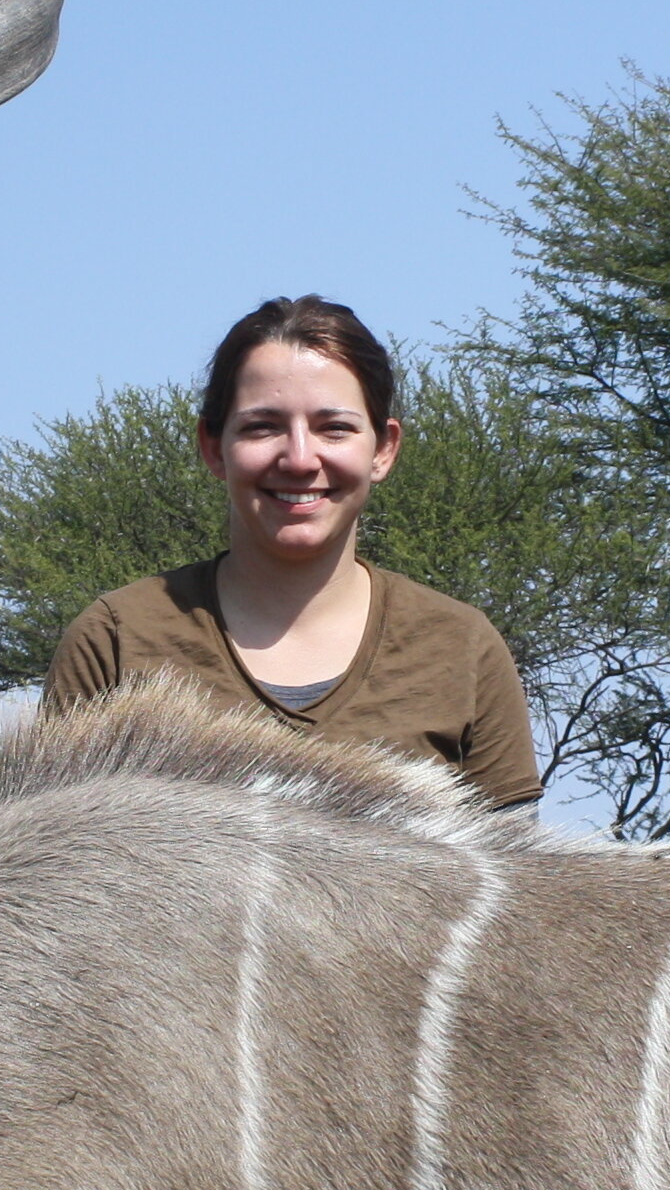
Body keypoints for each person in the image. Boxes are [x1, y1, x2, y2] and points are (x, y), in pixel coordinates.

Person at [44, 296, 540, 809]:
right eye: (263, 426)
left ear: (384, 449)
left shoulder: (462, 646)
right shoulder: (115, 640)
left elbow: (521, 878)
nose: (300, 459)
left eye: (335, 428)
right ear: (214, 447)